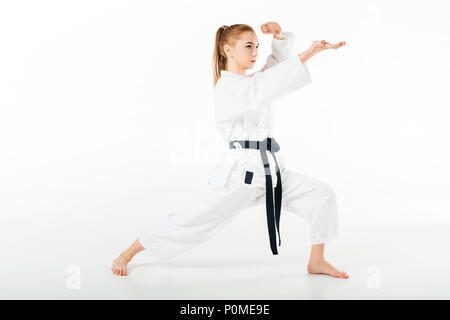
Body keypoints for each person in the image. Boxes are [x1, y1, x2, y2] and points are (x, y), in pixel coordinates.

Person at [111, 22, 348, 279]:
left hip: (270, 170)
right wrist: (309, 53)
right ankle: (128, 252)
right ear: (228, 50)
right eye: (248, 46)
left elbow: (272, 75)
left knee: (320, 194)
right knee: (190, 220)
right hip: (239, 177)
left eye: (257, 46)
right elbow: (267, 84)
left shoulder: (252, 83)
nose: (255, 52)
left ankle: (317, 260)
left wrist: (279, 41)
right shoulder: (228, 88)